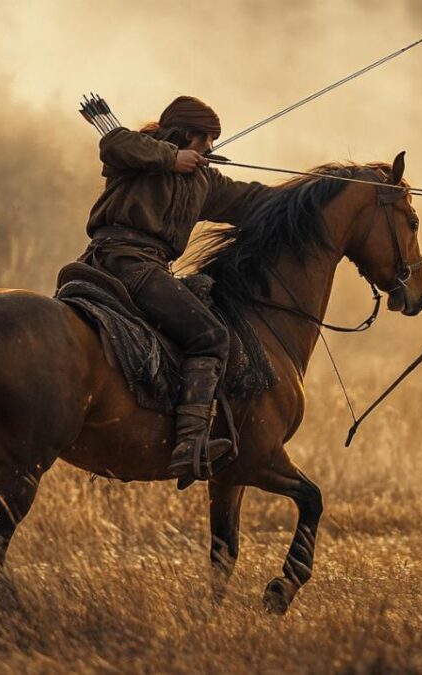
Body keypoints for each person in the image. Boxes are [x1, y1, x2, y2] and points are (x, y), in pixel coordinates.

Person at [78, 95, 268, 479]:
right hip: (126, 263)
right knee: (212, 337)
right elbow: (113, 141)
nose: (211, 148)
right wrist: (171, 158)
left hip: (147, 268)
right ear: (185, 133)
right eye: (206, 139)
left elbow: (254, 200)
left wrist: (311, 192)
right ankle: (190, 443)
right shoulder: (135, 155)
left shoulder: (203, 182)